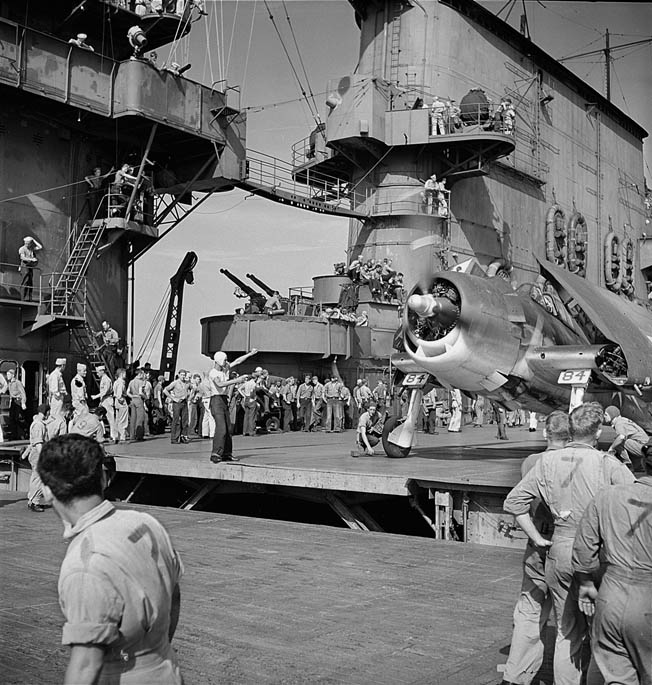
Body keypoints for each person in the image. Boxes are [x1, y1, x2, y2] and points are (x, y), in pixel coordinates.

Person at [504, 402, 634, 685]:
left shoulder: (546, 462)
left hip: (557, 549)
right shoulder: (607, 464)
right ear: (598, 432)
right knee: (603, 632)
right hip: (597, 555)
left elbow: (513, 502)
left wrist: (537, 537)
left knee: (566, 631)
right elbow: (636, 506)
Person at [37, 434, 183, 685]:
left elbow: (86, 665)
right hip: (166, 671)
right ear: (103, 478)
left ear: (48, 491)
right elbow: (174, 595)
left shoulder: (84, 564)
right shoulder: (146, 523)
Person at [500, 411, 571, 685]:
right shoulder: (576, 463)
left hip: (536, 545)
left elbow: (521, 502)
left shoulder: (531, 461)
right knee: (568, 622)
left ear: (545, 433)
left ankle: (515, 676)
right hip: (566, 545)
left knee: (529, 611)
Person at [572, 449, 652, 685]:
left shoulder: (606, 496)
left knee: (616, 677)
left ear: (643, 464)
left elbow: (583, 548)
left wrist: (586, 582)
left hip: (611, 597)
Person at [208, 349, 256, 463]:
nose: (226, 362)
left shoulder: (225, 368)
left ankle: (226, 454)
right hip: (216, 399)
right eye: (224, 360)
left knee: (228, 428)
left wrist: (250, 354)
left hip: (224, 399)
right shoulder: (213, 373)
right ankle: (215, 453)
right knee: (221, 428)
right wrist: (236, 380)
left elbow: (237, 361)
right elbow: (219, 384)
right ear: (218, 360)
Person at [602, 405, 648, 471]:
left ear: (612, 415)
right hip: (646, 447)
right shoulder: (622, 420)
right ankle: (638, 466)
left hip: (645, 448)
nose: (604, 416)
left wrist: (611, 448)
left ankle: (627, 464)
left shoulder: (619, 423)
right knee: (622, 441)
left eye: (606, 414)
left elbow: (621, 437)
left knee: (619, 441)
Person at [23, 403, 50, 512]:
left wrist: (25, 453)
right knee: (39, 479)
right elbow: (38, 443)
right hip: (38, 454)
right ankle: (35, 501)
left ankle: (32, 500)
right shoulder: (39, 425)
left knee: (35, 478)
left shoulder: (36, 423)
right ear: (46, 412)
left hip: (34, 454)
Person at [163, 370, 190, 444]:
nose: (183, 376)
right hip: (177, 403)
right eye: (181, 375)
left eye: (184, 375)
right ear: (178, 375)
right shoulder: (175, 383)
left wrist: (190, 395)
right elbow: (165, 390)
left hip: (184, 402)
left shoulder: (186, 383)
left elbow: (193, 388)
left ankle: (183, 436)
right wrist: (173, 398)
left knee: (185, 421)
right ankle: (174, 438)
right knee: (176, 420)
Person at [18, 236, 43, 300]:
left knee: (30, 283)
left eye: (28, 243)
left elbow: (40, 247)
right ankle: (22, 299)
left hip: (30, 267)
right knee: (25, 282)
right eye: (25, 243)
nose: (26, 244)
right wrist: (32, 259)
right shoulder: (22, 249)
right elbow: (22, 257)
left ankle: (29, 298)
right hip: (24, 267)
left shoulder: (31, 249)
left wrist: (33, 240)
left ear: (30, 243)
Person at [6, 368, 27, 440]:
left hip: (18, 401)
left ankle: (24, 432)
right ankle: (13, 435)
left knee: (18, 418)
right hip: (13, 402)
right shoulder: (9, 383)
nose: (7, 376)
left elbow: (22, 393)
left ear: (13, 375)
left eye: (8, 374)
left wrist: (23, 402)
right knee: (12, 419)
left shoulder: (18, 383)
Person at [239, 369, 259, 437]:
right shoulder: (253, 383)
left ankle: (245, 431)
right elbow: (252, 391)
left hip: (246, 399)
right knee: (252, 416)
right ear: (255, 378)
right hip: (251, 399)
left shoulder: (246, 383)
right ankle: (251, 432)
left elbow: (239, 389)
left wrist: (244, 395)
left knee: (246, 416)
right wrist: (253, 398)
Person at [48, 357, 68, 422]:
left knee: (58, 415)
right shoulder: (55, 375)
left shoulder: (58, 375)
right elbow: (54, 390)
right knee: (56, 415)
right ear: (62, 366)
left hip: (59, 398)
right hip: (57, 399)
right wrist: (60, 395)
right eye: (64, 366)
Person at [112, 368, 129, 442]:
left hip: (116, 402)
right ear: (122, 374)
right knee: (123, 420)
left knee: (118, 419)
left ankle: (117, 436)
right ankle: (122, 437)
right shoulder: (121, 382)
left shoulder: (115, 382)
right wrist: (121, 399)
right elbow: (119, 394)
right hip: (121, 401)